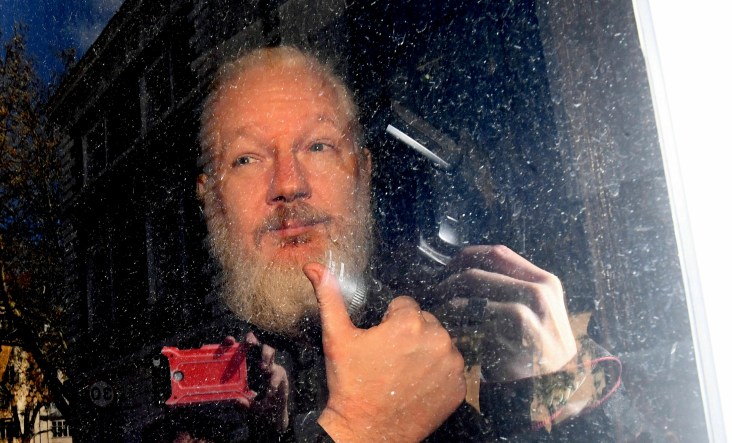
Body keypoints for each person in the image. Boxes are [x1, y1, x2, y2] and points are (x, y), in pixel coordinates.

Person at [150, 46, 619, 443]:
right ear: (210, 199)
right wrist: (362, 430)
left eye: (318, 146)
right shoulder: (165, 380)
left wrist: (551, 394)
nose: (289, 184)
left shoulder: (438, 326)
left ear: (362, 173)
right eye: (247, 158)